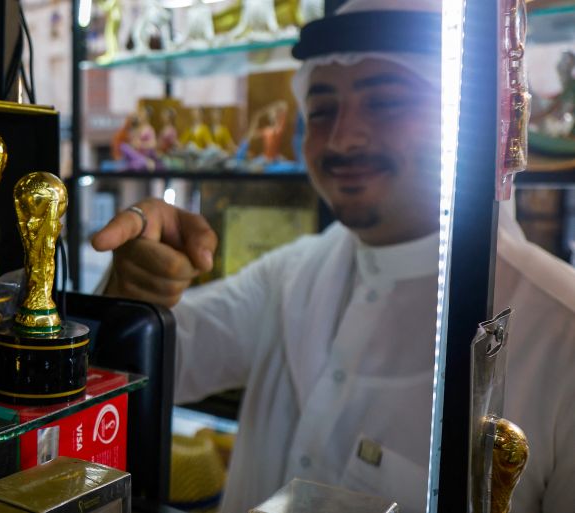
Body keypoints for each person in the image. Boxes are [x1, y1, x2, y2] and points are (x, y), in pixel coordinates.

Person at [91, 0, 575, 511]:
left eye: (385, 103)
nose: (343, 138)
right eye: (322, 111)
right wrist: (128, 300)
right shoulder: (292, 273)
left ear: (463, 122)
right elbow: (161, 362)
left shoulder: (560, 333)